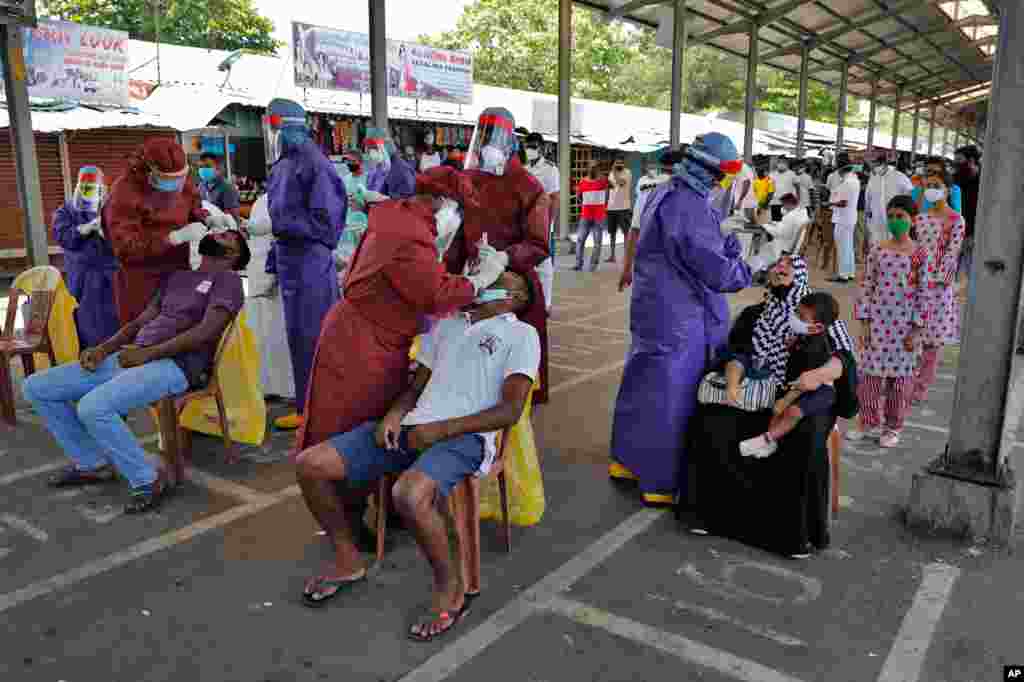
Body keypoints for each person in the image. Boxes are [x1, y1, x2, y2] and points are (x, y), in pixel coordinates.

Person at [294, 272, 538, 636]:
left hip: (465, 437)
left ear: (514, 297)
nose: (483, 278)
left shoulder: (521, 334)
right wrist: (395, 414)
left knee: (408, 493)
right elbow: (416, 386)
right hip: (412, 427)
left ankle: (451, 588)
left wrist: (440, 430)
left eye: (497, 279)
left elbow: (510, 411)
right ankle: (347, 560)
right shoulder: (448, 324)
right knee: (311, 465)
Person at [23, 230, 249, 513]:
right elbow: (138, 323)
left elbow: (206, 332)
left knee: (94, 407)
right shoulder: (178, 277)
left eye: (228, 237)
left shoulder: (228, 281)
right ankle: (92, 463)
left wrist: (147, 354)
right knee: (37, 387)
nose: (217, 233)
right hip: (133, 357)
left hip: (176, 366)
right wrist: (103, 349)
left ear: (233, 255)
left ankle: (148, 478)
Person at [295, 183, 507, 460]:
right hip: (363, 342)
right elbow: (436, 294)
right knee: (350, 427)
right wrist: (479, 280)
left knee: (357, 424)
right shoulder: (411, 234)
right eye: (457, 211)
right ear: (441, 201)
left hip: (361, 330)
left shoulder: (398, 215)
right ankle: (344, 490)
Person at [609, 133, 752, 506]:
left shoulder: (663, 191)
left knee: (640, 382)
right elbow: (714, 271)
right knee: (670, 395)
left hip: (652, 307)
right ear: (715, 170)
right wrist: (745, 267)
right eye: (728, 171)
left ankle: (625, 461)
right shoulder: (690, 205)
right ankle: (659, 480)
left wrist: (725, 244)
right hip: (681, 314)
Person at [687, 255, 857, 558]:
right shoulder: (754, 315)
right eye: (776, 266)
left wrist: (816, 375)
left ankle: (790, 535)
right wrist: (734, 381)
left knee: (802, 433)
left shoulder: (819, 317)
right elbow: (737, 353)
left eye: (788, 268)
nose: (779, 270)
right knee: (713, 418)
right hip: (757, 390)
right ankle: (710, 516)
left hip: (806, 396)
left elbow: (844, 359)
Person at [417, 106, 553, 404]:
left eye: (494, 140)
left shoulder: (530, 187)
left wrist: (505, 258)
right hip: (472, 277)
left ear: (510, 143)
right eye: (483, 138)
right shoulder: (469, 180)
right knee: (468, 354)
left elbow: (539, 243)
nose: (487, 147)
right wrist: (446, 269)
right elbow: (456, 232)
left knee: (511, 359)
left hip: (511, 281)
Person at [264, 98, 347, 431]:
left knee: (315, 335)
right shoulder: (285, 163)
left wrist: (287, 227)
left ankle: (324, 411)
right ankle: (305, 407)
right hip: (290, 258)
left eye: (276, 127)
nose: (274, 135)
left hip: (309, 258)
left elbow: (326, 223)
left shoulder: (315, 164)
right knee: (298, 336)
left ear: (292, 126)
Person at [847, 195, 929, 447]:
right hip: (877, 325)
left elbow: (923, 293)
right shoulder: (878, 249)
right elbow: (867, 286)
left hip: (905, 327)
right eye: (891, 216)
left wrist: (916, 331)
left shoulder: (919, 254)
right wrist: (865, 324)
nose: (895, 221)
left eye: (900, 216)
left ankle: (892, 427)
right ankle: (868, 422)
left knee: (899, 383)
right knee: (869, 379)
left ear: (913, 220)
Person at [104, 138, 213, 326]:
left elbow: (192, 205)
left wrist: (207, 218)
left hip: (179, 273)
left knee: (179, 329)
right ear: (147, 171)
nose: (175, 187)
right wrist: (172, 238)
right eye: (167, 181)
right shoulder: (124, 192)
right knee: (143, 338)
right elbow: (125, 247)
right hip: (140, 282)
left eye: (179, 179)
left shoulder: (182, 181)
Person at [738, 292, 841, 458]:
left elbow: (808, 382)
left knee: (792, 411)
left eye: (801, 316)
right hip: (797, 383)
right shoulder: (806, 334)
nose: (794, 318)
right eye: (796, 312)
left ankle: (766, 440)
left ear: (818, 327)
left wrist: (785, 400)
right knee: (777, 409)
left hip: (819, 389)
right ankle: (771, 442)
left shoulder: (815, 349)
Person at [910, 170, 964, 405]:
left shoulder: (956, 220)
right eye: (927, 185)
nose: (930, 189)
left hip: (939, 288)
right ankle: (905, 381)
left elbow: (952, 254)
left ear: (947, 189)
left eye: (935, 184)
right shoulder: (920, 218)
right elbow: (914, 249)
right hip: (916, 285)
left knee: (932, 342)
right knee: (912, 336)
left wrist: (936, 280)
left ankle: (920, 388)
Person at [52, 166, 119, 349]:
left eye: (93, 187)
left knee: (113, 322)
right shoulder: (67, 210)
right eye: (85, 187)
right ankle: (88, 355)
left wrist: (108, 235)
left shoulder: (111, 208)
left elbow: (125, 240)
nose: (88, 191)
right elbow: (63, 236)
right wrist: (83, 229)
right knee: (85, 323)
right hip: (82, 277)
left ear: (102, 188)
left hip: (110, 277)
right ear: (78, 186)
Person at [245, 194, 295, 399]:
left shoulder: (268, 201)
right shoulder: (273, 201)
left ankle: (271, 386)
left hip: (270, 276)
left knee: (271, 335)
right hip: (274, 277)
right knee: (276, 335)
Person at [619, 150, 677, 292]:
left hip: (645, 264)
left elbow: (634, 231)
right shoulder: (677, 187)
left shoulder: (644, 183)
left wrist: (626, 269)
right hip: (670, 267)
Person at [523, 132, 560, 313]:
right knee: (527, 262)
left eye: (533, 147)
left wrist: (549, 224)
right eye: (527, 147)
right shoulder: (524, 168)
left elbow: (554, 198)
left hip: (543, 223)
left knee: (545, 264)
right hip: (525, 223)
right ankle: (528, 300)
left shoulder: (550, 169)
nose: (530, 150)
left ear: (541, 148)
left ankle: (546, 303)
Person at [865, 159, 913, 256]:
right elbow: (868, 203)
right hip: (877, 224)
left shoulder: (900, 177)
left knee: (896, 253)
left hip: (896, 222)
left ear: (883, 164)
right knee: (877, 253)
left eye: (875, 164)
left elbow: (909, 197)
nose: (874, 167)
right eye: (872, 165)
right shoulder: (873, 179)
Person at [828, 157, 861, 284]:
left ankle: (842, 275)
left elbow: (843, 203)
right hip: (849, 217)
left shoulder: (847, 182)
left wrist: (829, 203)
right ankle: (850, 272)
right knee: (848, 247)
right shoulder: (854, 180)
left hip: (843, 218)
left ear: (840, 169)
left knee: (842, 247)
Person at [364, 127, 416, 202]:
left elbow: (407, 200)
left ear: (385, 147)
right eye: (369, 149)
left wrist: (383, 198)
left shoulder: (402, 170)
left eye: (374, 148)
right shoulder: (380, 167)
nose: (369, 152)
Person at [574, 162, 609, 272]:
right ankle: (578, 264)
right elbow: (579, 197)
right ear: (588, 168)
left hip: (599, 216)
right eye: (591, 167)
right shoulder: (583, 182)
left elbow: (608, 194)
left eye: (595, 167)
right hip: (586, 216)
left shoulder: (603, 181)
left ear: (598, 169)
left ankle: (593, 265)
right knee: (580, 240)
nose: (593, 169)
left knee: (597, 242)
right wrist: (586, 205)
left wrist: (602, 207)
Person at [954, 145, 981, 282]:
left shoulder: (985, 181)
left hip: (975, 235)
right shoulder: (956, 179)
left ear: (971, 160)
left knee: (973, 274)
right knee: (950, 271)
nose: (957, 165)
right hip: (955, 233)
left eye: (959, 161)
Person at [196, 153, 241, 222]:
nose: (203, 169)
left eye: (207, 166)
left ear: (218, 168)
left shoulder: (227, 187)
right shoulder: (201, 186)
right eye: (201, 167)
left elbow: (233, 217)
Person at [606, 156, 632, 263]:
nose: (619, 165)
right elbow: (610, 188)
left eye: (621, 163)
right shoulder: (611, 174)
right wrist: (606, 203)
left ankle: (626, 256)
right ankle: (612, 255)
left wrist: (613, 170)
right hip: (611, 208)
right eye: (617, 163)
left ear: (624, 164)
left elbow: (621, 183)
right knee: (612, 233)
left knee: (626, 233)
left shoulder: (627, 173)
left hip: (623, 208)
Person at [764, 193, 808, 257]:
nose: (783, 207)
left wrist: (764, 224)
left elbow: (777, 233)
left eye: (783, 205)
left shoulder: (790, 216)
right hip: (798, 246)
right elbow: (786, 226)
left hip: (787, 250)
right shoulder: (803, 211)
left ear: (788, 203)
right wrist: (773, 223)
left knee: (766, 248)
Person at [770, 158, 797, 222]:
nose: (781, 165)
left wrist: (796, 199)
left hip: (787, 202)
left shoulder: (792, 174)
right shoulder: (772, 175)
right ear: (777, 164)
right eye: (779, 163)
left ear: (787, 164)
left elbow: (797, 187)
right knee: (775, 221)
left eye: (783, 163)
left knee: (787, 221)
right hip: (775, 201)